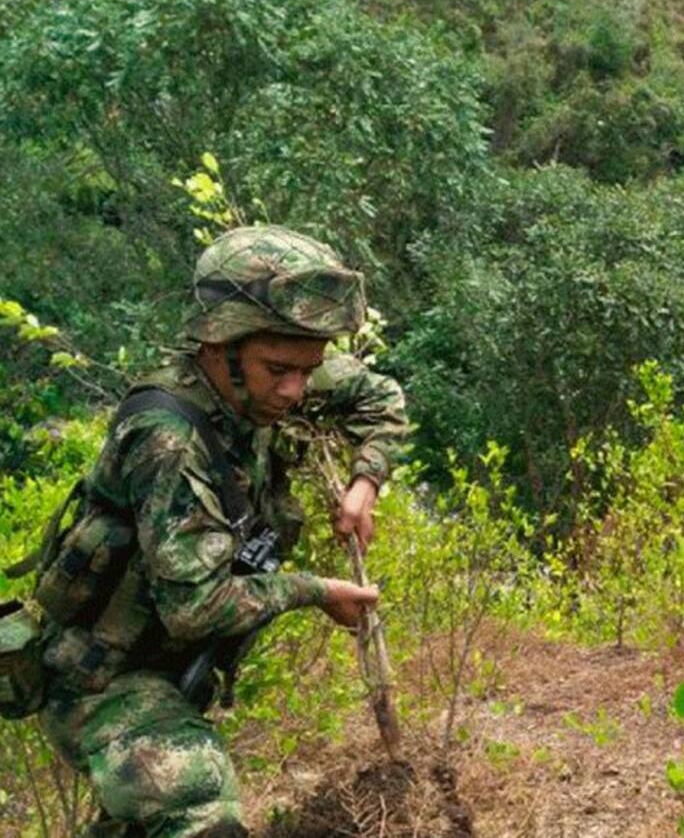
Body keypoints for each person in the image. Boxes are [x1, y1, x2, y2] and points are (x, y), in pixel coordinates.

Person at [35, 225, 410, 836]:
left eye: (308, 369)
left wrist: (364, 482)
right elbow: (196, 609)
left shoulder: (268, 379)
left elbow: (381, 400)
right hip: (103, 682)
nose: (294, 391)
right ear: (218, 344)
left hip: (169, 674)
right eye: (279, 370)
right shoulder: (167, 439)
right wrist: (315, 591)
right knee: (198, 803)